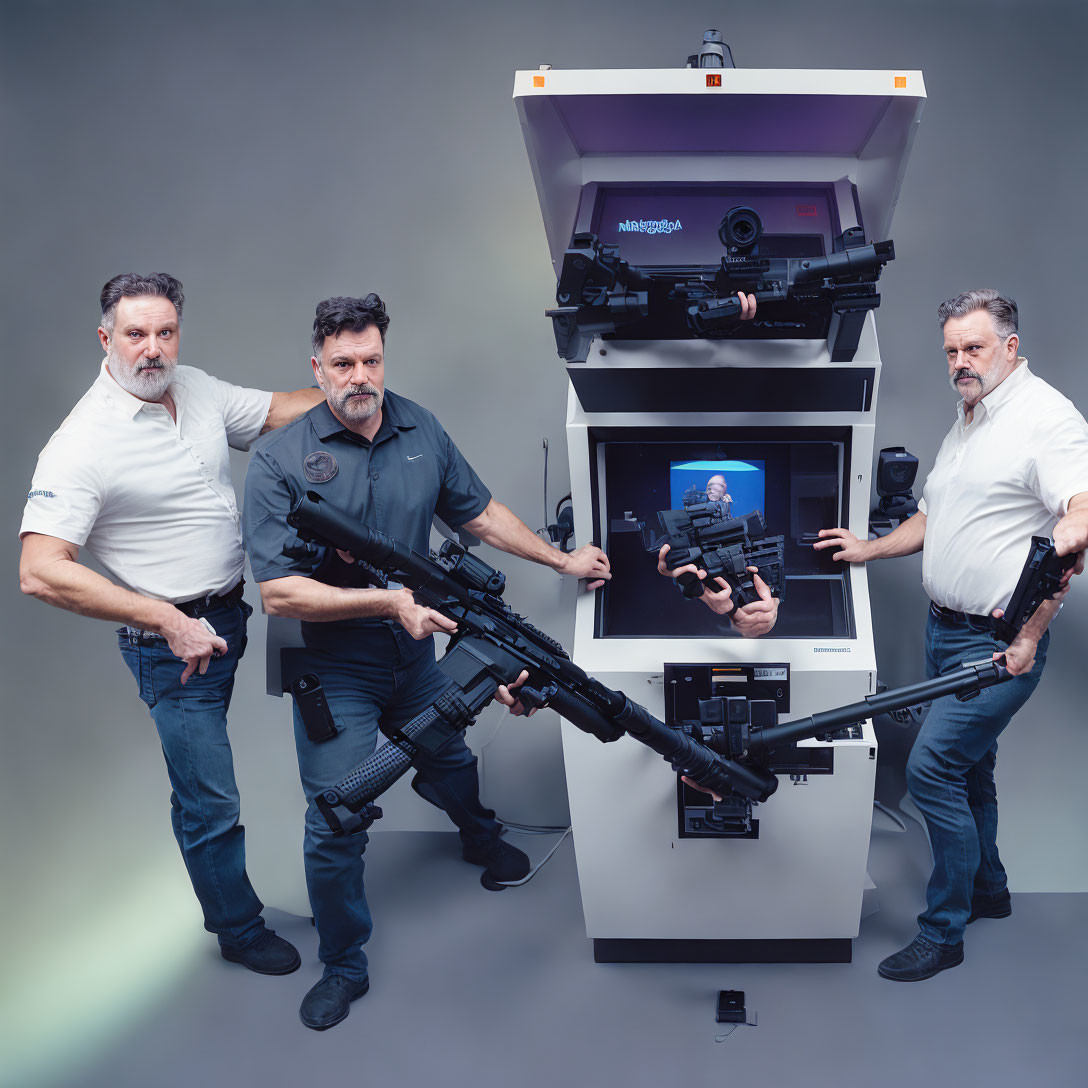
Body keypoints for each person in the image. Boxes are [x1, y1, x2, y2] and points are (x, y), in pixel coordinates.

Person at [242, 293, 611, 1030]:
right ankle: (344, 964)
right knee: (336, 815)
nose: (359, 377)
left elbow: (476, 512)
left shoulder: (418, 428)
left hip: (412, 652)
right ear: (317, 368)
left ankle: (479, 833)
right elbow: (280, 593)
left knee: (449, 759)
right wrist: (386, 603)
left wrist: (561, 560)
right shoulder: (280, 461)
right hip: (332, 665)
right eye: (342, 364)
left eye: (371, 360)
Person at [19, 273, 326, 976]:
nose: (153, 350)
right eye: (135, 334)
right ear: (106, 339)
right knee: (208, 795)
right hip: (172, 649)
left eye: (165, 332)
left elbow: (281, 411)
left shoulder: (196, 388)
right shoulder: (82, 442)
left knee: (211, 779)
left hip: (232, 615)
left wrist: (357, 388)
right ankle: (238, 928)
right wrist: (164, 618)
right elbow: (40, 569)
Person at [815, 289, 1088, 981]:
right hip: (946, 630)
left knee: (934, 768)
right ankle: (989, 889)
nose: (961, 362)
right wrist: (868, 549)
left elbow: (1081, 512)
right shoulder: (969, 419)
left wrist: (1031, 628)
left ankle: (945, 931)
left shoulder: (1045, 420)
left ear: (1011, 347)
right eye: (952, 351)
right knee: (973, 768)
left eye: (975, 348)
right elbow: (934, 516)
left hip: (999, 643)